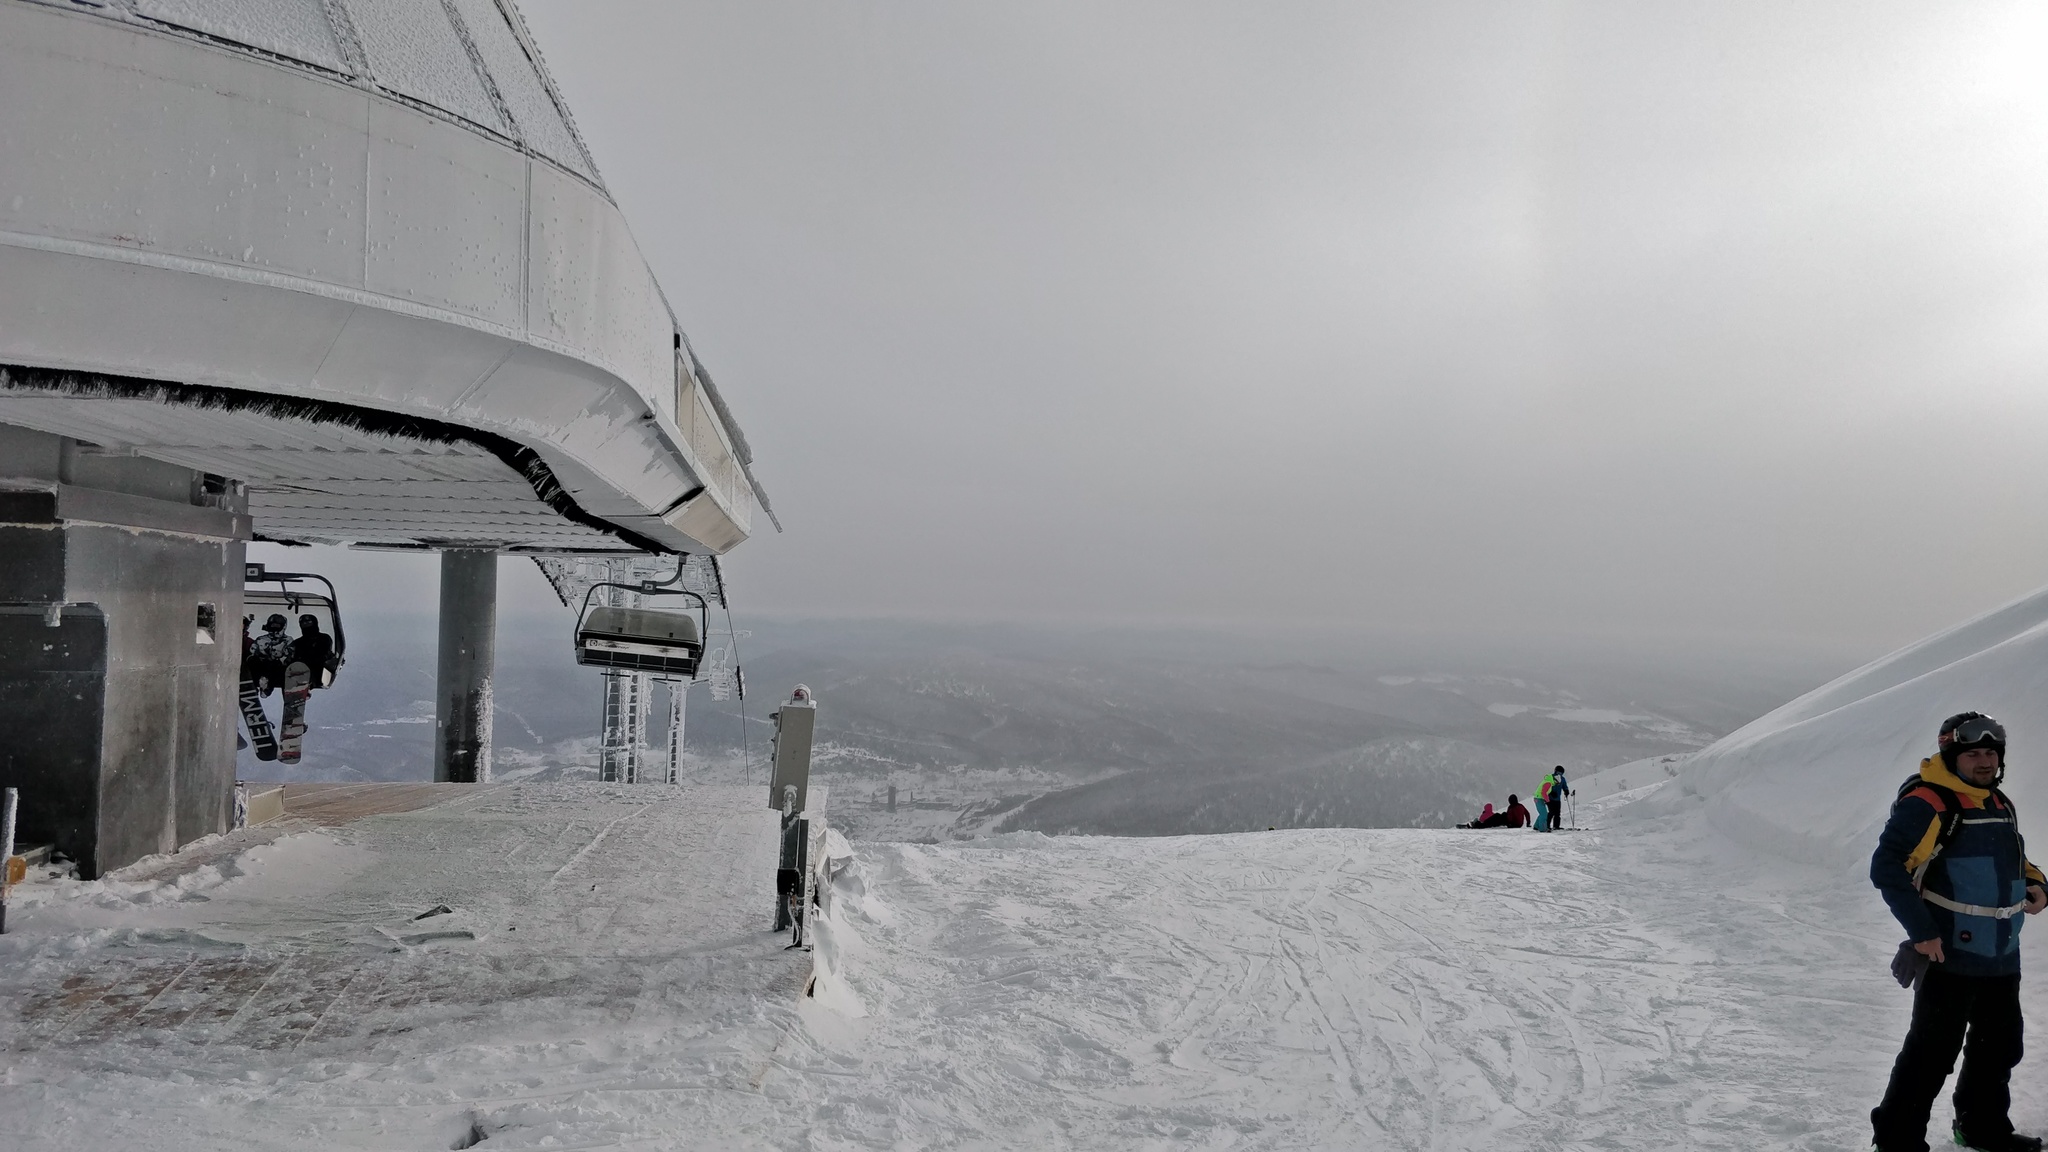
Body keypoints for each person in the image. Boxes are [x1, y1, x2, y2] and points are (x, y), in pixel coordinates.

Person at [1870, 712, 2047, 1152]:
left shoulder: (1997, 802)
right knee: (1929, 1056)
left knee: (1998, 1050)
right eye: (1973, 754)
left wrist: (2037, 883)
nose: (1984, 761)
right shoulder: (1930, 803)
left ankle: (1982, 1128)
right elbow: (1888, 867)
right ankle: (1896, 1143)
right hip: (1948, 952)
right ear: (1953, 756)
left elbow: (2012, 858)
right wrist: (1922, 931)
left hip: (2001, 953)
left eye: (1991, 752)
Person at [249, 613, 293, 693]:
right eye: (272, 625)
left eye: (277, 626)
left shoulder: (287, 640)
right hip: (261, 668)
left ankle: (268, 688)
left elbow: (290, 655)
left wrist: (280, 661)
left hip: (278, 669)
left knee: (276, 665)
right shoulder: (261, 639)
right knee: (252, 661)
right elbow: (252, 653)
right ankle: (253, 688)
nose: (274, 628)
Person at [292, 613, 336, 687]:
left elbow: (324, 653)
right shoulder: (298, 642)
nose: (306, 625)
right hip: (301, 670)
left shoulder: (324, 638)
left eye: (308, 622)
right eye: (303, 623)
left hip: (318, 669)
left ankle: (310, 683)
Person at [1550, 765, 1572, 830]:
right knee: (1551, 813)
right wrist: (1551, 792)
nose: (1559, 774)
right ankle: (1547, 825)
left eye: (1561, 773)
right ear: (1555, 771)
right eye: (1558, 772)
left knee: (1557, 813)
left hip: (1557, 799)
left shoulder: (1562, 779)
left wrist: (1566, 790)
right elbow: (1547, 787)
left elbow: (1564, 786)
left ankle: (1556, 826)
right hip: (1550, 798)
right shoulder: (1551, 777)